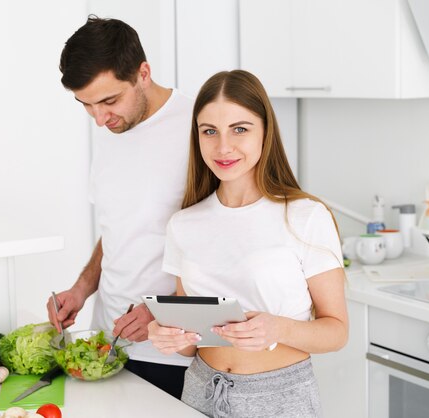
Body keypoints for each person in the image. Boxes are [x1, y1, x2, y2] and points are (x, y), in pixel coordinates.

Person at [148, 69, 349, 417]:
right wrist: (168, 334)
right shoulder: (183, 224)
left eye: (240, 129)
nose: (223, 147)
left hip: (281, 399)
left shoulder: (305, 216)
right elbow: (189, 338)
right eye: (209, 131)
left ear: (265, 132)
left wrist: (278, 327)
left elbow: (337, 332)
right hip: (200, 391)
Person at [46, 16, 194, 399]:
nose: (99, 119)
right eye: (87, 105)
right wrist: (82, 288)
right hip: (104, 344)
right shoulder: (113, 128)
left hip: (171, 354)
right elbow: (118, 227)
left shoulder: (200, 127)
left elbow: (223, 245)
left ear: (143, 73)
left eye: (109, 101)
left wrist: (165, 312)